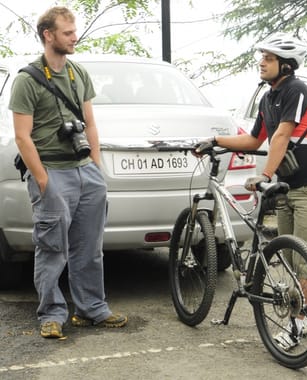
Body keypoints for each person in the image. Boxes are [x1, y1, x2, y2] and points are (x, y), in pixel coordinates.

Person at [194, 32, 307, 350]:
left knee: (305, 261)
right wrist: (215, 141)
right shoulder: (268, 97)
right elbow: (255, 140)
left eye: (268, 59)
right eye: (262, 57)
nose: (262, 62)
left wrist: (264, 174)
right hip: (285, 187)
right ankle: (305, 315)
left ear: (285, 65)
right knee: (288, 257)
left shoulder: (297, 89)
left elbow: (282, 135)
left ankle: (304, 321)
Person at [9, 6, 127, 339]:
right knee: (51, 248)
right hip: (51, 171)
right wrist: (43, 180)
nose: (74, 38)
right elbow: (22, 136)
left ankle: (92, 309)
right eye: (67, 33)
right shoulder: (26, 79)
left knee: (89, 247)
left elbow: (89, 123)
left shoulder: (78, 74)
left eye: (74, 32)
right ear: (48, 35)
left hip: (84, 171)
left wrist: (96, 166)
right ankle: (51, 313)